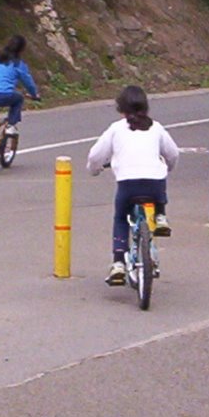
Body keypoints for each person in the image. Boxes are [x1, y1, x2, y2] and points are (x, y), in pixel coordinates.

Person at [86, 85, 179, 286]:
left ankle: (118, 262)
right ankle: (161, 216)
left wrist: (94, 169)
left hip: (128, 184)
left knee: (120, 217)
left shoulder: (116, 129)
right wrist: (168, 167)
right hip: (155, 184)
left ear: (121, 109)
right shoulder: (157, 127)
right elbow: (173, 154)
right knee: (158, 183)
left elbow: (95, 156)